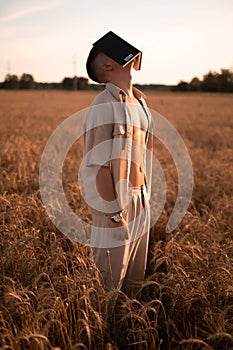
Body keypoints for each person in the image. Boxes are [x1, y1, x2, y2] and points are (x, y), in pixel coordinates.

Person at [82, 32, 153, 298]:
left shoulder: (140, 102)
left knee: (134, 285)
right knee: (107, 286)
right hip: (114, 206)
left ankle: (127, 333)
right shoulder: (103, 105)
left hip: (141, 201)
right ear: (108, 66)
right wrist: (113, 215)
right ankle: (101, 336)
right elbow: (96, 165)